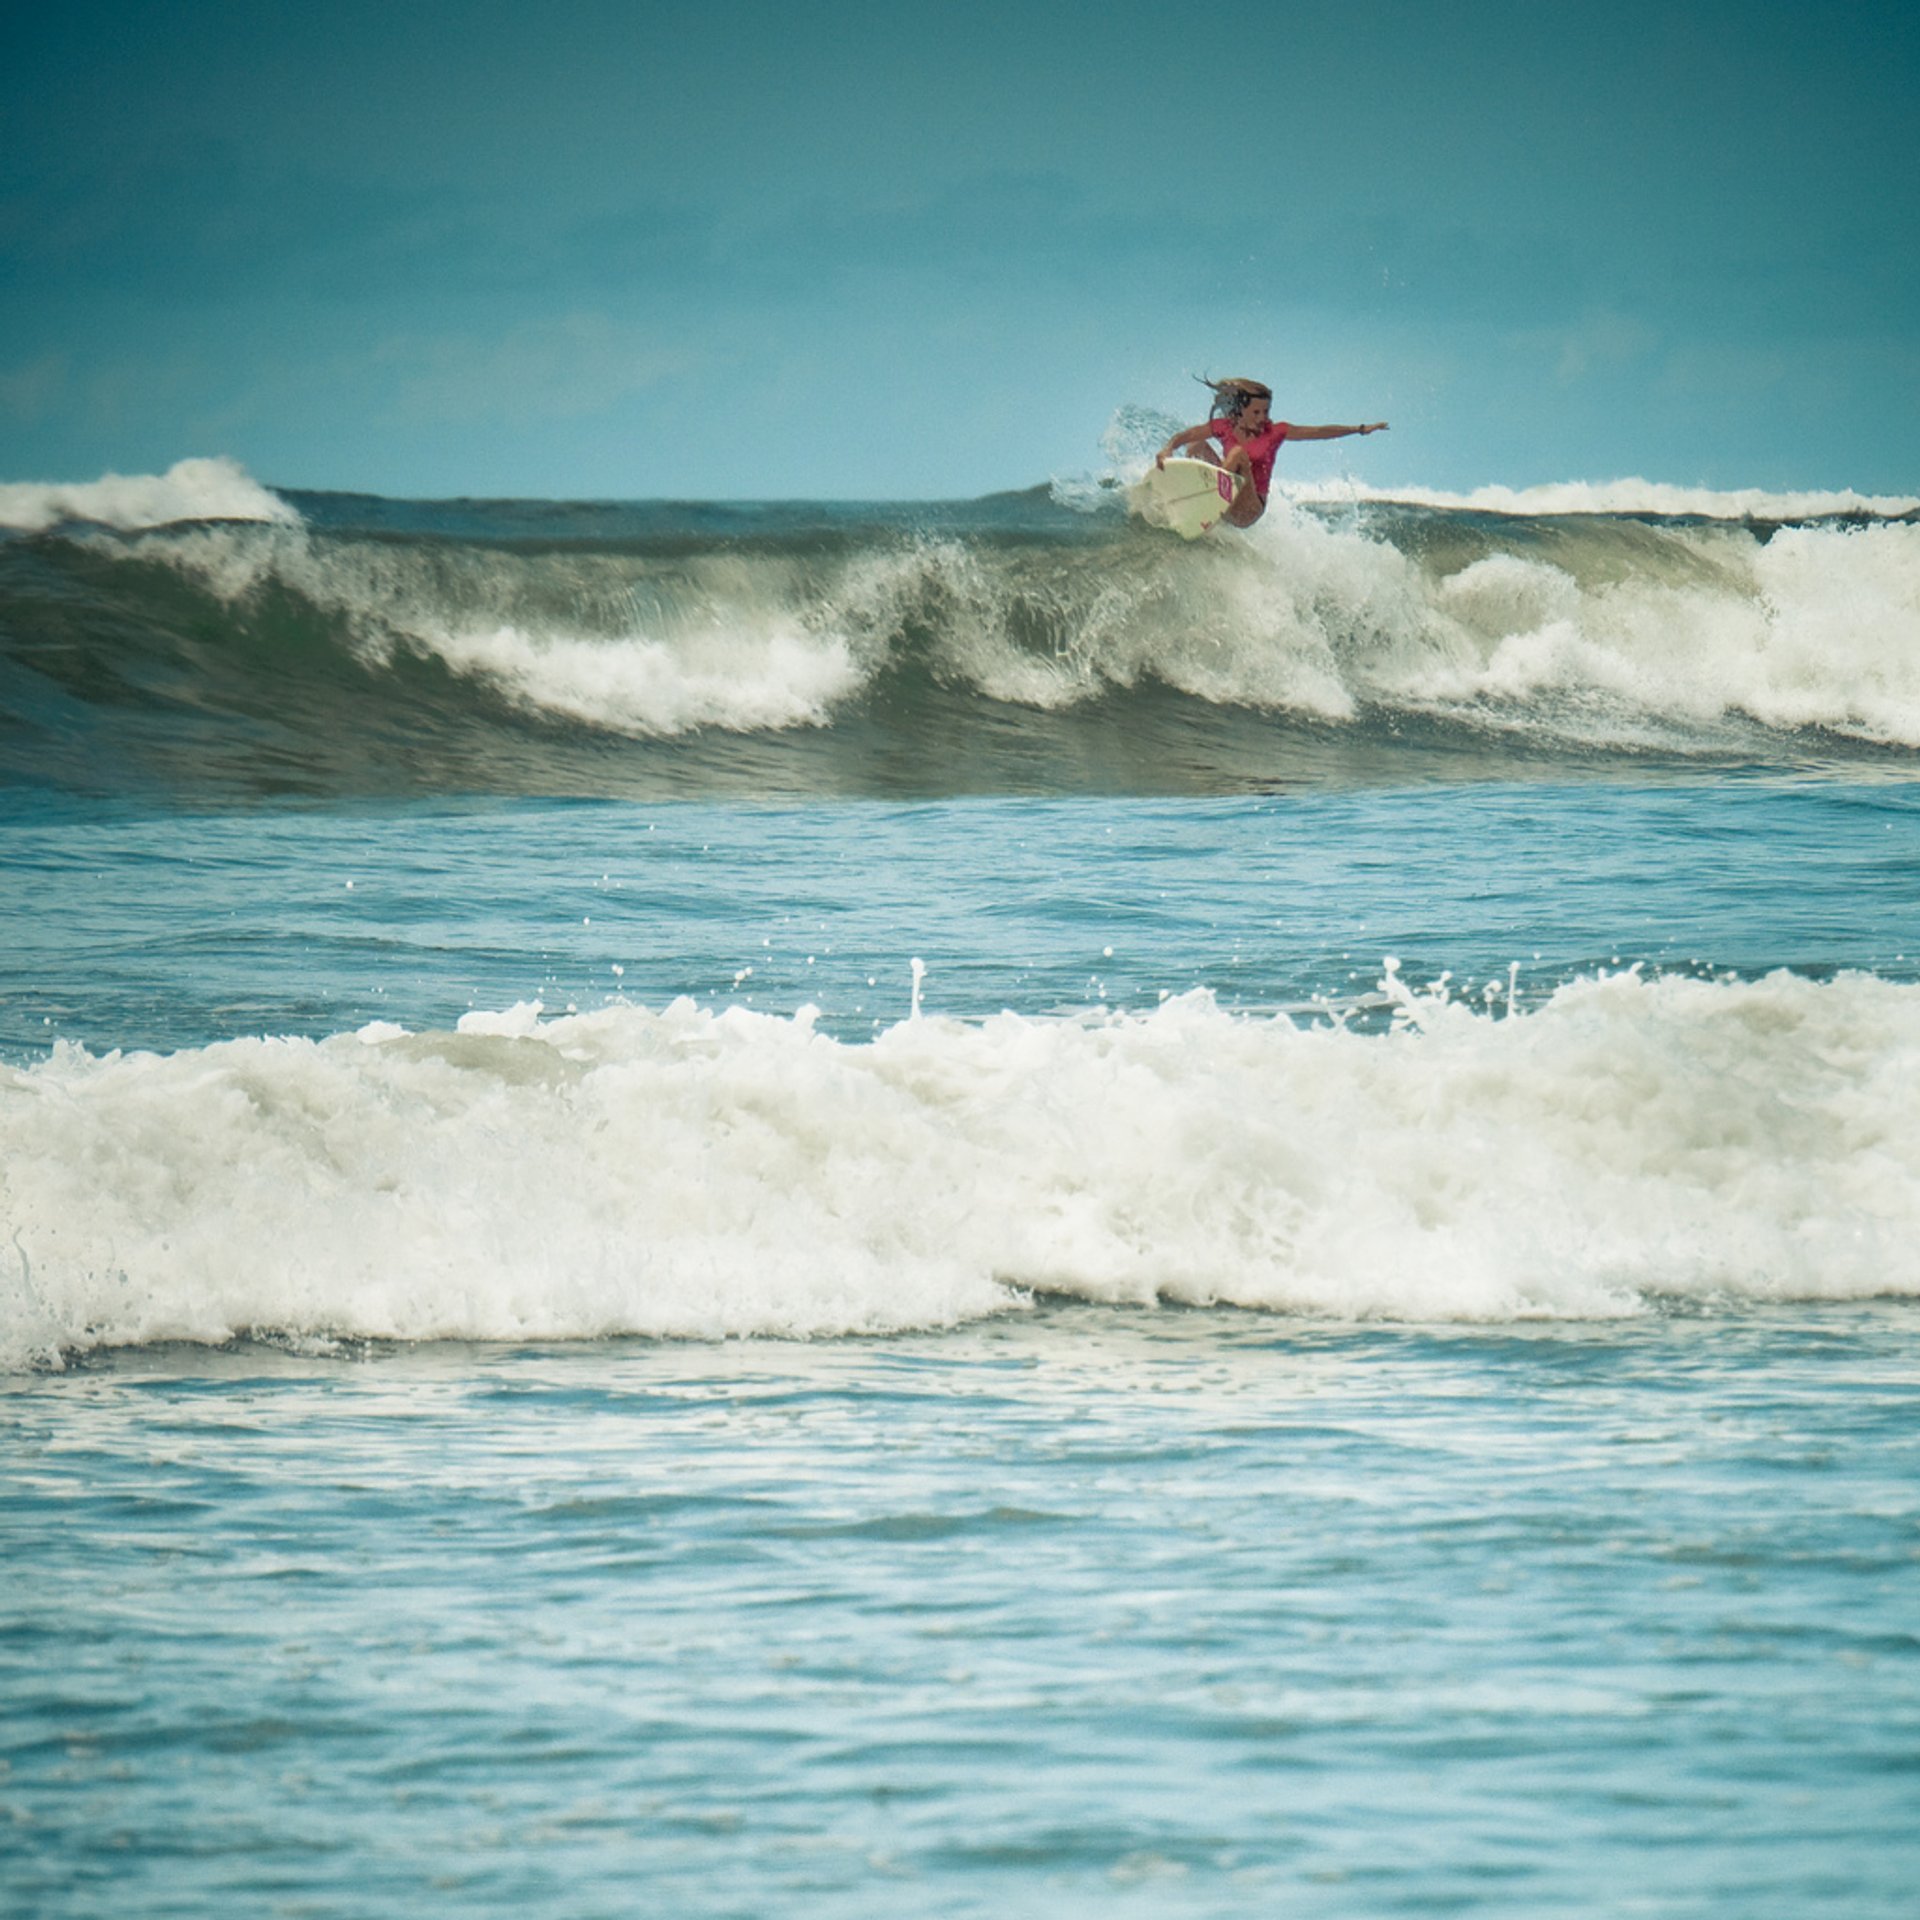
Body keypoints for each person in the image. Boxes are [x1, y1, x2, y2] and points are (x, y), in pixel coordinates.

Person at [1155, 377, 1388, 528]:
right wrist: (1168, 449)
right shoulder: (1225, 426)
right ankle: (1200, 499)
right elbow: (1189, 435)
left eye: (1265, 412)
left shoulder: (1274, 432)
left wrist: (1359, 429)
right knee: (1195, 447)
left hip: (1250, 507)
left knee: (1237, 454)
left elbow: (1317, 431)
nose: (1262, 418)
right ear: (1241, 410)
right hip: (1227, 497)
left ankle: (1210, 502)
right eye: (1256, 412)